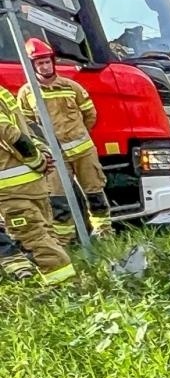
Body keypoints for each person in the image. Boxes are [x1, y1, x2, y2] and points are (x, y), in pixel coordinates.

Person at [18, 37, 112, 238]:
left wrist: (78, 134)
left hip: (83, 152)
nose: (44, 66)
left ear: (52, 61)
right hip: (54, 157)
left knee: (94, 193)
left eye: (46, 61)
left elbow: (90, 115)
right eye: (39, 63)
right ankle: (65, 241)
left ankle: (104, 232)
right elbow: (27, 125)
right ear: (32, 65)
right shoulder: (27, 93)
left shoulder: (71, 86)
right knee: (58, 200)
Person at [0, 85, 74, 285]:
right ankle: (67, 287)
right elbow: (25, 128)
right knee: (45, 236)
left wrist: (37, 160)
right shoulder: (3, 92)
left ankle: (65, 291)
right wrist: (42, 154)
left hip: (12, 189)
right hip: (31, 184)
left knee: (35, 241)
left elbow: (10, 133)